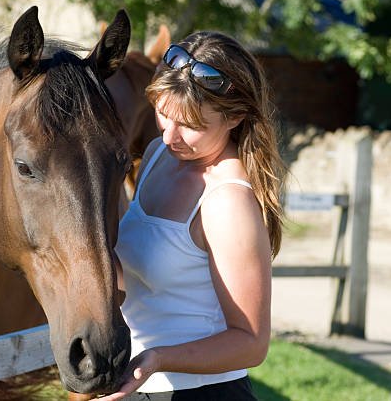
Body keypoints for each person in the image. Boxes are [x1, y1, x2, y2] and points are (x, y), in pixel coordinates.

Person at [97, 31, 286, 401]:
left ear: (234, 117)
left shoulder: (227, 201)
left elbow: (251, 343)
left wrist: (159, 358)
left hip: (199, 393)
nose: (171, 136)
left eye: (192, 125)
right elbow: (141, 275)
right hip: (137, 385)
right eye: (164, 115)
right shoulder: (156, 156)